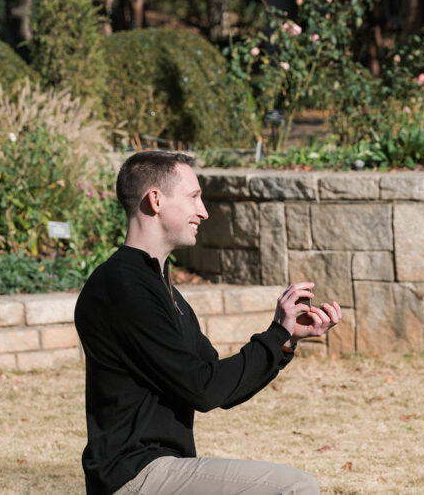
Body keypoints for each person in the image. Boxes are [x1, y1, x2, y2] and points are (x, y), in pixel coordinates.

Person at [74, 151, 340, 495]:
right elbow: (203, 389)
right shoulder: (122, 286)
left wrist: (286, 338)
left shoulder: (162, 290)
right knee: (295, 487)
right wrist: (275, 335)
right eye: (194, 197)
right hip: (134, 475)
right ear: (155, 200)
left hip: (162, 467)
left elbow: (217, 382)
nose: (203, 211)